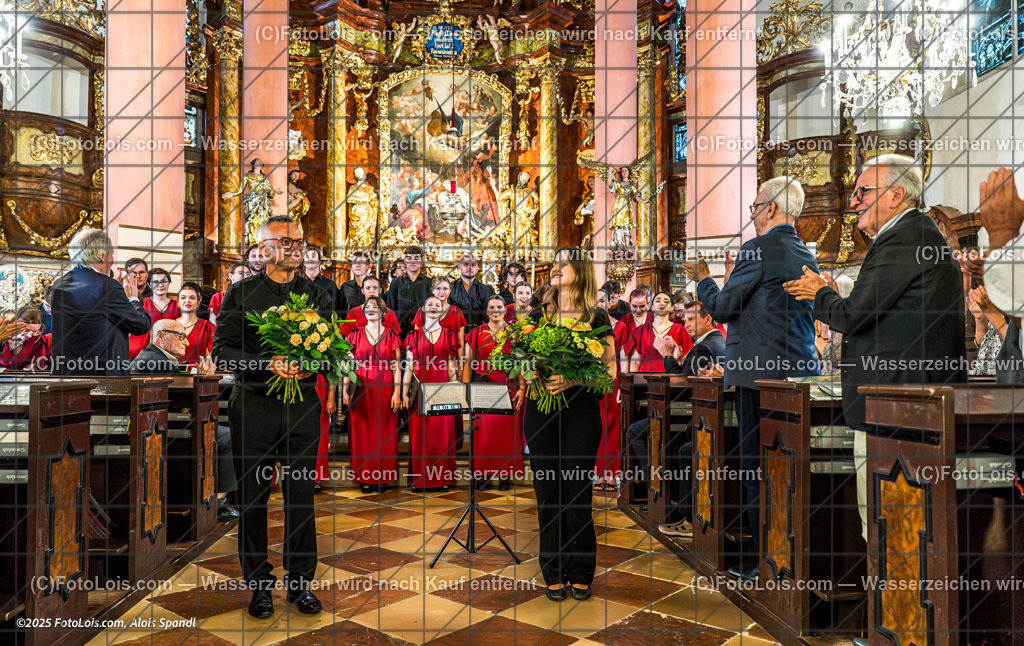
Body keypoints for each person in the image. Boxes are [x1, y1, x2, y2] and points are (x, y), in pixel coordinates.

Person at [784, 155, 966, 545]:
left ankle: (890, 604)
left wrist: (821, 293)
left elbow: (854, 316)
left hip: (896, 406)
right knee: (891, 526)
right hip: (903, 404)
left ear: (896, 195)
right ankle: (887, 602)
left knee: (888, 529)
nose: (853, 201)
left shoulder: (905, 238)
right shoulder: (914, 235)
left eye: (862, 191)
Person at [685, 175, 820, 583]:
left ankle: (766, 567)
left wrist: (705, 279)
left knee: (755, 470)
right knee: (788, 472)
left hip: (756, 379)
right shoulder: (805, 254)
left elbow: (724, 308)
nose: (753, 214)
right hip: (798, 378)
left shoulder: (756, 249)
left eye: (755, 206)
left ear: (771, 209)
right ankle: (786, 565)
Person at [211, 215, 332, 618]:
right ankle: (259, 586)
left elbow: (330, 353)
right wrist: (268, 363)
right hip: (254, 406)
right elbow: (222, 352)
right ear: (262, 250)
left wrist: (308, 363)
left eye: (298, 241)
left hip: (301, 406)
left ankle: (300, 584)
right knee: (255, 501)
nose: (294, 248)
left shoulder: (319, 296)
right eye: (285, 242)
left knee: (301, 500)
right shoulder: (241, 293)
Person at [524, 246, 616, 602]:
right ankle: (553, 569)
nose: (555, 267)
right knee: (548, 493)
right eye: (554, 262)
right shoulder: (537, 315)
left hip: (580, 412)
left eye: (564, 262)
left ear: (579, 269)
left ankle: (580, 571)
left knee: (576, 493)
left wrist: (574, 380)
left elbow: (609, 374)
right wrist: (526, 370)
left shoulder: (596, 318)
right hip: (540, 411)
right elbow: (516, 359)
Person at [630, 299, 726, 539]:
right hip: (702, 415)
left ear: (708, 319)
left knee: (637, 432)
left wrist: (668, 357)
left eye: (693, 319)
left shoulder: (705, 347)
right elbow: (691, 376)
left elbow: (680, 385)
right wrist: (679, 359)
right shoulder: (718, 343)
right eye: (686, 318)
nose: (687, 324)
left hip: (692, 416)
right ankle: (663, 495)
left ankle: (660, 496)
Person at [133, 320, 238, 522]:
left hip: (165, 425)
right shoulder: (155, 361)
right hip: (166, 430)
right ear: (161, 336)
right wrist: (205, 381)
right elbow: (182, 402)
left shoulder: (155, 357)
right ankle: (219, 502)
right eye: (181, 336)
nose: (187, 342)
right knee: (229, 437)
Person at [51, 228, 152, 377]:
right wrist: (133, 299)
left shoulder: (59, 284)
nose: (112, 259)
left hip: (65, 375)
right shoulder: (106, 286)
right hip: (102, 378)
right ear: (101, 256)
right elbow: (141, 325)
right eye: (111, 253)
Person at [343, 296, 403, 494]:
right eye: (367, 307)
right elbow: (348, 365)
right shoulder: (355, 334)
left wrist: (397, 392)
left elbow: (396, 366)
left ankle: (383, 477)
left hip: (385, 385)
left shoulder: (392, 335)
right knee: (363, 431)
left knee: (384, 432)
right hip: (361, 386)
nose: (370, 309)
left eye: (375, 307)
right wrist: (345, 389)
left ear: (383, 313)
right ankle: (365, 477)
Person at [463, 295, 523, 491]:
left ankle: (505, 475)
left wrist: (522, 387)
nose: (496, 311)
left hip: (508, 386)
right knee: (484, 433)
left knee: (506, 432)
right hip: (483, 386)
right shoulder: (476, 333)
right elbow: (468, 363)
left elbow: (522, 363)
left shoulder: (514, 334)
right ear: (487, 311)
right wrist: (465, 389)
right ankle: (482, 474)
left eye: (499, 307)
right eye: (492, 307)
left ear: (505, 311)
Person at [401, 295, 460, 492]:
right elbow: (409, 367)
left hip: (443, 385)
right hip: (420, 387)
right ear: (423, 309)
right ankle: (420, 480)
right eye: (430, 304)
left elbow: (452, 364)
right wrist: (403, 393)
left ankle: (441, 479)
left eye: (438, 304)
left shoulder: (450, 335)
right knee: (421, 435)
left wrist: (455, 387)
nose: (434, 307)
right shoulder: (413, 336)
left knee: (442, 435)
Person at [628, 291, 693, 373]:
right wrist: (634, 382)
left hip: (671, 375)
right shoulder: (641, 330)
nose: (662, 303)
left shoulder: (681, 330)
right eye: (658, 301)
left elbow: (687, 359)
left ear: (672, 307)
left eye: (666, 301)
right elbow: (635, 362)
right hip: (645, 378)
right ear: (652, 307)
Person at [129, 268, 180, 358]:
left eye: (164, 281)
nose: (160, 285)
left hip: (170, 353)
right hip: (143, 353)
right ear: (149, 285)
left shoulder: (178, 306)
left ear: (169, 283)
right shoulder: (143, 304)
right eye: (156, 282)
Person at [385, 245, 431, 336]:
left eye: (416, 258)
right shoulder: (396, 282)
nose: (412, 261)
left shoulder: (429, 283)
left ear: (421, 260)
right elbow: (390, 308)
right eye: (409, 258)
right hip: (399, 330)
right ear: (405, 261)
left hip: (422, 330)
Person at [412, 276, 467, 349]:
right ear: (433, 290)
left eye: (445, 288)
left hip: (450, 357)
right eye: (438, 288)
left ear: (450, 290)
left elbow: (460, 341)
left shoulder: (456, 312)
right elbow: (417, 338)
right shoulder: (423, 311)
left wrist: (460, 360)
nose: (442, 292)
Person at [177, 282, 216, 370]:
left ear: (199, 302)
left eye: (192, 298)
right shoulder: (168, 326)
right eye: (183, 298)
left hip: (198, 376)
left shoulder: (208, 327)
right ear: (178, 303)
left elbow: (210, 357)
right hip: (171, 376)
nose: (187, 301)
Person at [450, 253, 494, 328]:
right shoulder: (449, 288)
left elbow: (488, 317)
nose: (469, 268)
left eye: (473, 265)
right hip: (453, 333)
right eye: (466, 265)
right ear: (459, 267)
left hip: (477, 334)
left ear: (477, 268)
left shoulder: (485, 290)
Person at [303, 246, 341, 315]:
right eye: (307, 257)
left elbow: (336, 308)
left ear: (319, 261)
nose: (310, 259)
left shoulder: (330, 284)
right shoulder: (297, 282)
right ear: (304, 262)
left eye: (313, 256)